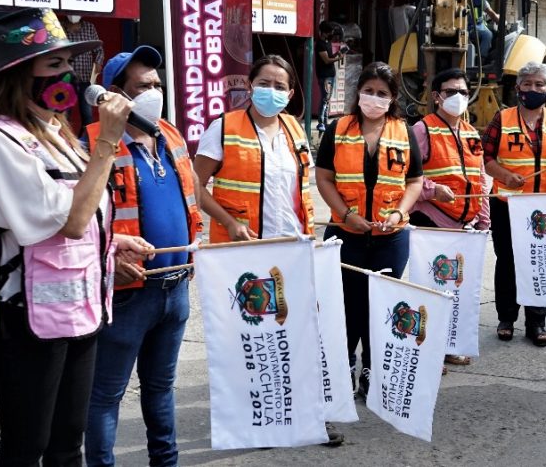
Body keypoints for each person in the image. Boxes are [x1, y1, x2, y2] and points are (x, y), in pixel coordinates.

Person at [0, 8, 148, 465]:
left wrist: (111, 242)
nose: (68, 73)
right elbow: (66, 221)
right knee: (28, 448)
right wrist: (107, 141)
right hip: (25, 321)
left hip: (79, 312)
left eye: (69, 63)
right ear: (19, 74)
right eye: (54, 64)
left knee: (68, 445)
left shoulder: (55, 133)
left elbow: (82, 216)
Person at [192, 55, 346, 446]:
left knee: (303, 336)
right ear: (250, 84)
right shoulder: (223, 128)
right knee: (254, 342)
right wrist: (227, 221)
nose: (272, 92)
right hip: (245, 255)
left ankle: (311, 417)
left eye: (280, 86)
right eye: (265, 83)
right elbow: (194, 186)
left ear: (292, 93)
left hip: (293, 250)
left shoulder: (295, 128)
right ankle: (259, 421)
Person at [83, 44, 203, 467]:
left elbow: (189, 198)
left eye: (157, 84)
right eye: (142, 86)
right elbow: (78, 218)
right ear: (115, 94)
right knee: (105, 395)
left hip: (175, 288)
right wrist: (106, 259)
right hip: (128, 293)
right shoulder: (95, 143)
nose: (154, 92)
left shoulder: (168, 133)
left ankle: (164, 463)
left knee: (160, 388)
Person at [316, 62, 424, 399]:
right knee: (345, 306)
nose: (373, 98)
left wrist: (399, 212)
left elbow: (415, 181)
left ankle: (372, 369)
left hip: (390, 239)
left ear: (392, 99)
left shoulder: (404, 132)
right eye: (369, 91)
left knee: (381, 307)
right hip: (344, 235)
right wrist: (346, 214)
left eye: (382, 93)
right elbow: (324, 177)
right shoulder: (337, 129)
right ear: (358, 92)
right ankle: (343, 366)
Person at [482, 61, 546, 347]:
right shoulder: (502, 118)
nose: (533, 89)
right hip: (508, 205)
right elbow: (486, 160)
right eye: (527, 84)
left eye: (539, 85)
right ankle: (507, 318)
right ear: (518, 88)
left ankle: (536, 322)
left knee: (541, 263)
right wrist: (504, 175)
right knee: (508, 261)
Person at [409, 68, 490, 367]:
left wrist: (483, 218)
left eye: (463, 92)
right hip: (431, 220)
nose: (457, 97)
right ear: (436, 97)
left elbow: (479, 179)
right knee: (430, 289)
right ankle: (429, 351)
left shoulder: (470, 133)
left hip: (463, 224)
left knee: (455, 289)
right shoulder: (423, 129)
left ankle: (448, 344)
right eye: (450, 92)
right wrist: (431, 191)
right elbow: (406, 176)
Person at [62, 14, 105, 129]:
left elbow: (99, 50)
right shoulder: (60, 27)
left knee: (87, 115)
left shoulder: (89, 27)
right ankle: (65, 141)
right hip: (67, 79)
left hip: (85, 79)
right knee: (65, 114)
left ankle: (87, 142)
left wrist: (98, 63)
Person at [315, 22, 344, 133]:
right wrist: (337, 59)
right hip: (325, 75)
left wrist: (338, 54)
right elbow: (326, 60)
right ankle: (321, 122)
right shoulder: (320, 44)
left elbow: (330, 56)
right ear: (324, 32)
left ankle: (325, 122)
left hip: (330, 75)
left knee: (327, 100)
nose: (332, 34)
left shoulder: (327, 42)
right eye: (330, 32)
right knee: (325, 99)